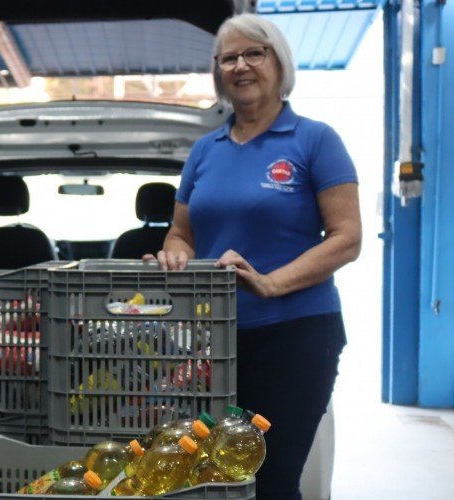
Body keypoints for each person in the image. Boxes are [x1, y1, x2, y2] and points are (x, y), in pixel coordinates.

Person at [148, 13, 362, 500]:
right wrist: (174, 256)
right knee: (209, 479)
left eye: (254, 53)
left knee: (271, 477)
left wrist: (271, 282)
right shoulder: (206, 150)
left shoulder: (315, 140)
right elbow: (180, 233)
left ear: (278, 62)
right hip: (214, 344)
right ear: (218, 71)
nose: (240, 66)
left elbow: (347, 237)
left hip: (296, 337)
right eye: (229, 58)